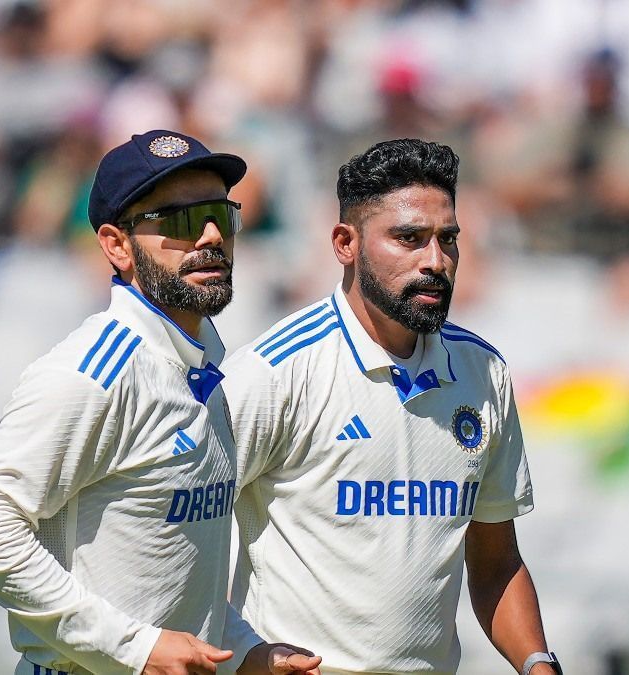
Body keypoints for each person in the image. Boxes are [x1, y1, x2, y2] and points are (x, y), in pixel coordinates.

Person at [0, 129, 321, 675]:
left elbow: (167, 574)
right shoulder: (93, 373)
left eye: (222, 214)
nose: (212, 235)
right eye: (179, 221)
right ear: (116, 245)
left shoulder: (199, 369)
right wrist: (135, 647)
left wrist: (244, 654)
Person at [223, 139, 561, 675]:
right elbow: (174, 538)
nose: (435, 261)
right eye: (408, 238)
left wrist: (538, 663)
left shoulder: (483, 373)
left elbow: (496, 562)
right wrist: (244, 655)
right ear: (344, 243)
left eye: (447, 240)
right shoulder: (275, 372)